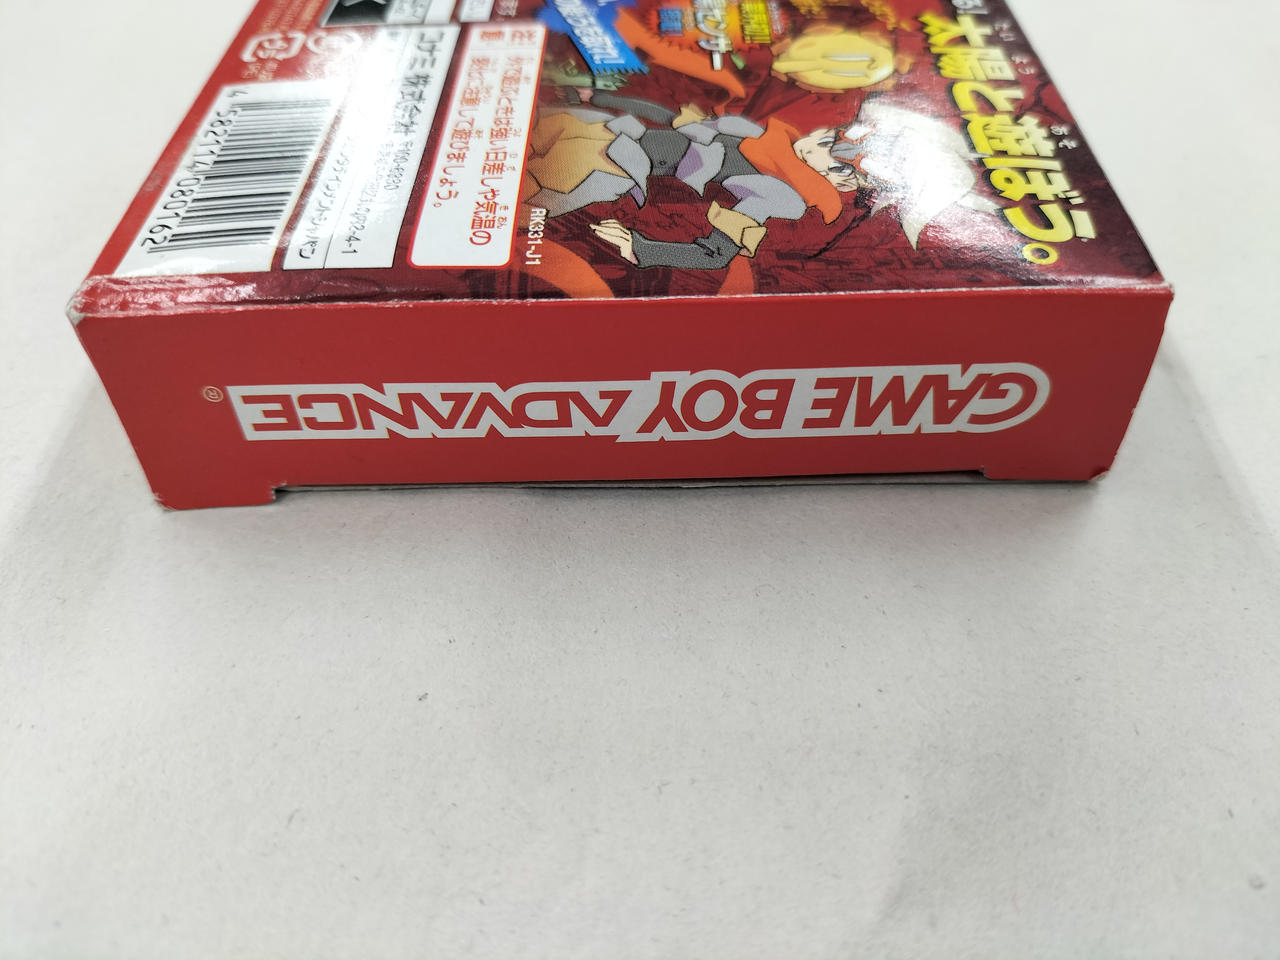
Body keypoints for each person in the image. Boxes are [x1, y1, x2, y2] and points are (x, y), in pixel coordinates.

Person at [523, 89, 865, 270]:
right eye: (829, 138)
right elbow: (675, 120)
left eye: (836, 159)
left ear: (844, 184)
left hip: (612, 167)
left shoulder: (780, 193)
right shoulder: (757, 134)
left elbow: (715, 255)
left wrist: (640, 248)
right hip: (605, 128)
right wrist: (599, 97)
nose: (818, 146)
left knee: (521, 200)